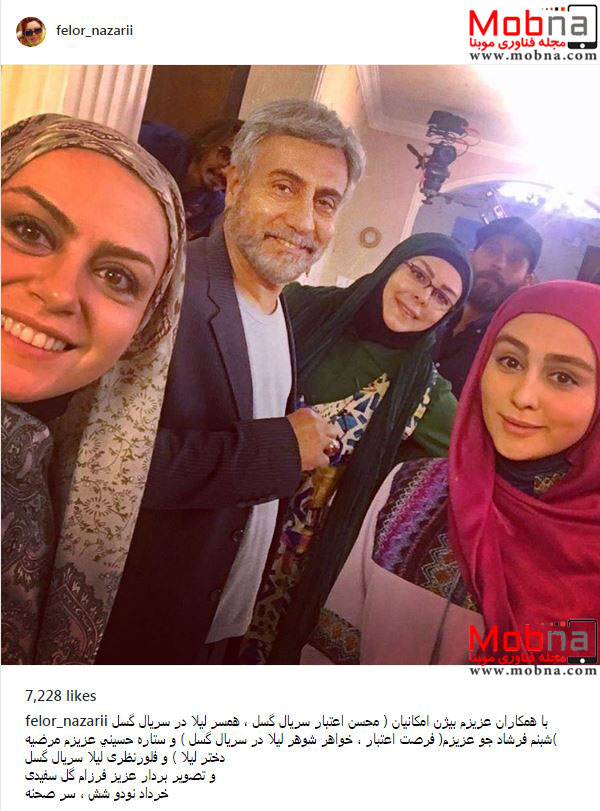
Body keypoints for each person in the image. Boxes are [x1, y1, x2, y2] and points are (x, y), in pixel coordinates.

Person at [95, 98, 366, 665]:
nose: (304, 221)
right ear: (236, 184)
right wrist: (281, 449)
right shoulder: (168, 291)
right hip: (137, 629)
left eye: (325, 201)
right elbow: (103, 467)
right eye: (284, 187)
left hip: (218, 623)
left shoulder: (280, 303)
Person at [300, 281, 600, 664]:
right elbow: (333, 648)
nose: (523, 396)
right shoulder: (409, 489)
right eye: (510, 362)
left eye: (564, 377)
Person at [1, 114, 186, 664]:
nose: (60, 292)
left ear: (145, 329)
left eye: (116, 276)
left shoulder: (33, 467)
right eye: (28, 230)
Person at [250, 234, 473, 664]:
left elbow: (478, 457)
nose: (422, 297)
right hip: (224, 507)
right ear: (393, 263)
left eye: (442, 297)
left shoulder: (423, 392)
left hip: (291, 560)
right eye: (418, 274)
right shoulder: (298, 308)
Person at [435, 216, 542, 397]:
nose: (499, 264)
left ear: (527, 280)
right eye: (492, 250)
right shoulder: (431, 310)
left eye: (514, 259)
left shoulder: (513, 350)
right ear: (471, 255)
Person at [139, 118, 243, 239]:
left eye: (239, 168)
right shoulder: (158, 142)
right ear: (208, 142)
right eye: (226, 156)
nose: (226, 172)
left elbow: (176, 241)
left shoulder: (213, 205)